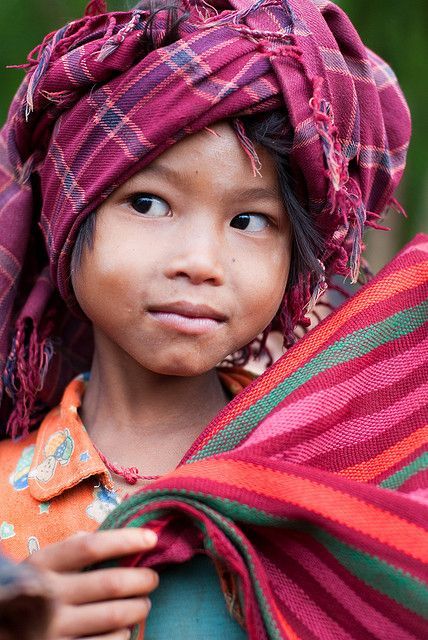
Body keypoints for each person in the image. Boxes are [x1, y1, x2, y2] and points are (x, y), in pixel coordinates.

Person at [0, 1, 426, 639]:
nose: (201, 263)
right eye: (148, 203)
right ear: (68, 223)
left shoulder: (329, 476)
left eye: (249, 221)